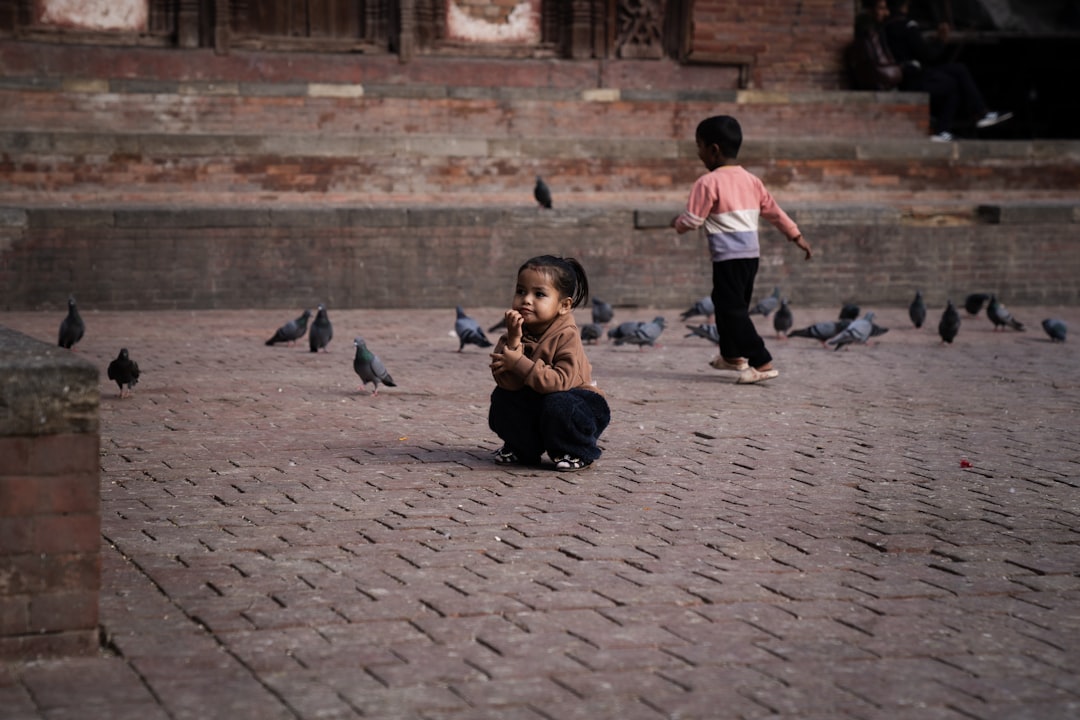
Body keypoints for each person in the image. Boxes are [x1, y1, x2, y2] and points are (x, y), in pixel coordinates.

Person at [671, 115, 812, 385]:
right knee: (729, 306)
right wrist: (796, 235)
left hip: (727, 257)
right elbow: (774, 211)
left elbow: (693, 220)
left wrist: (677, 223)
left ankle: (761, 361)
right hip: (750, 256)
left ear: (713, 149)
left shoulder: (707, 183)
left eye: (699, 146)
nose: (698, 153)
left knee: (733, 310)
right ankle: (731, 355)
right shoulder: (752, 180)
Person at [488, 255, 610, 471]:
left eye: (539, 294)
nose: (526, 299)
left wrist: (518, 363)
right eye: (521, 291)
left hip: (580, 406)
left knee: (558, 404)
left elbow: (559, 382)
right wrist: (514, 341)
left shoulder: (566, 335)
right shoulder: (516, 331)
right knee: (503, 397)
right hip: (541, 402)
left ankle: (576, 450)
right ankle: (523, 447)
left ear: (564, 305)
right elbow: (506, 382)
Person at [871, 0, 1012, 141]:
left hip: (907, 76)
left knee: (958, 70)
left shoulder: (886, 26)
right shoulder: (907, 25)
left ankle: (978, 113)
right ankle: (951, 126)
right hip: (913, 77)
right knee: (953, 83)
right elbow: (928, 55)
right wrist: (941, 40)